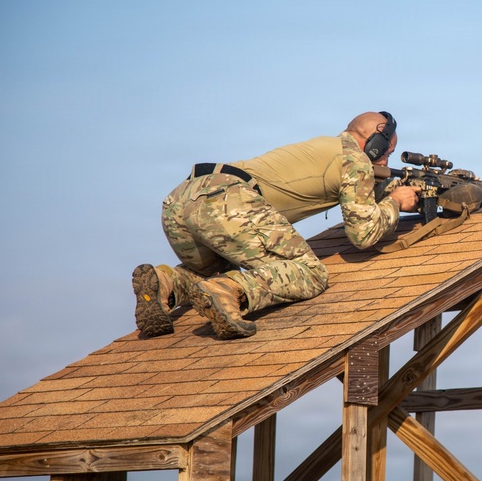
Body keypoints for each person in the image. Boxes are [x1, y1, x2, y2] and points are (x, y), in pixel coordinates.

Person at [132, 111, 420, 340]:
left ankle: (164, 284)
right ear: (374, 143)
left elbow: (358, 195)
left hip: (181, 200)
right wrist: (395, 202)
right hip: (229, 200)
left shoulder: (326, 147)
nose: (384, 160)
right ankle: (230, 291)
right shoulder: (354, 159)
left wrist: (388, 191)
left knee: (210, 270)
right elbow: (363, 232)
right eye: (386, 152)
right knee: (310, 273)